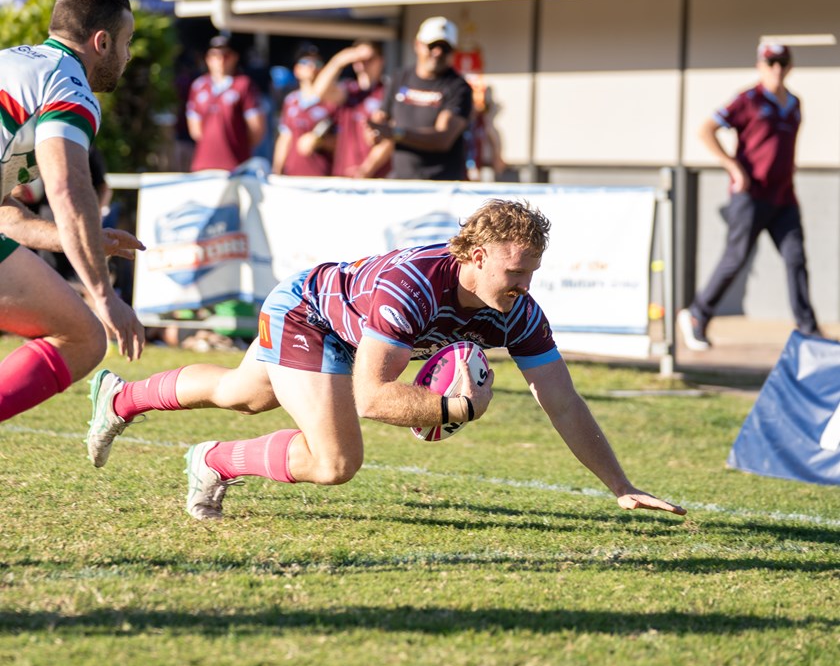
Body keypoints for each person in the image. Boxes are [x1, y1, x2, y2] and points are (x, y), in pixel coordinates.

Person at [86, 199, 686, 522]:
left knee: (244, 393)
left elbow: (561, 399)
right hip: (309, 314)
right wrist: (448, 407)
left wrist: (620, 485)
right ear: (476, 256)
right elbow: (370, 395)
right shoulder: (413, 286)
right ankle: (207, 456)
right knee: (336, 460)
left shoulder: (517, 310)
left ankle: (129, 403)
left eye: (533, 271)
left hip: (351, 332)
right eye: (516, 270)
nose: (526, 284)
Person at [0, 0, 145, 423]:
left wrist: (78, 239)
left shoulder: (13, 63)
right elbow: (67, 187)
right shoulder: (65, 83)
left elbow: (6, 214)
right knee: (83, 336)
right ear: (101, 41)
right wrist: (103, 293)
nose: (127, 55)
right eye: (126, 41)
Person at [678, 42, 821, 351]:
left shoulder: (794, 103)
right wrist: (733, 167)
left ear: (790, 66)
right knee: (736, 257)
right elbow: (706, 130)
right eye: (771, 63)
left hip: (784, 197)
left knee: (796, 259)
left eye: (782, 62)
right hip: (751, 195)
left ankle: (809, 331)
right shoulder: (748, 100)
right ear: (760, 65)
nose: (777, 69)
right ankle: (697, 315)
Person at [367, 16, 473, 181]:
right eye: (432, 46)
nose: (437, 53)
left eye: (444, 48)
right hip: (401, 180)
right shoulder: (399, 78)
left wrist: (396, 133)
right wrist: (373, 134)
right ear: (417, 45)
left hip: (441, 183)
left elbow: (443, 138)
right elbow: (381, 121)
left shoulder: (458, 87)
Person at [311, 41, 391, 178]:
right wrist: (338, 61)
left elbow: (391, 139)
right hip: (344, 172)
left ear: (380, 61)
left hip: (375, 176)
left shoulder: (387, 92)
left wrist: (366, 169)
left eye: (368, 59)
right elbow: (319, 92)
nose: (363, 65)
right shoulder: (350, 90)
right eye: (358, 60)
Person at [187, 35, 266, 173]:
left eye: (226, 55)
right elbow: (195, 130)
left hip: (236, 164)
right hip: (204, 163)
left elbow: (256, 130)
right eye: (215, 55)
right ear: (207, 58)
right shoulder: (199, 86)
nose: (220, 60)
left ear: (234, 57)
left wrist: (235, 144)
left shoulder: (243, 85)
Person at [271, 44, 340, 177]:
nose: (312, 66)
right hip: (292, 175)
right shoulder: (291, 101)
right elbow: (285, 137)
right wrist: (276, 170)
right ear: (296, 69)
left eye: (317, 63)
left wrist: (320, 142)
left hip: (321, 177)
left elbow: (345, 142)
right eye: (305, 62)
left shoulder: (332, 101)